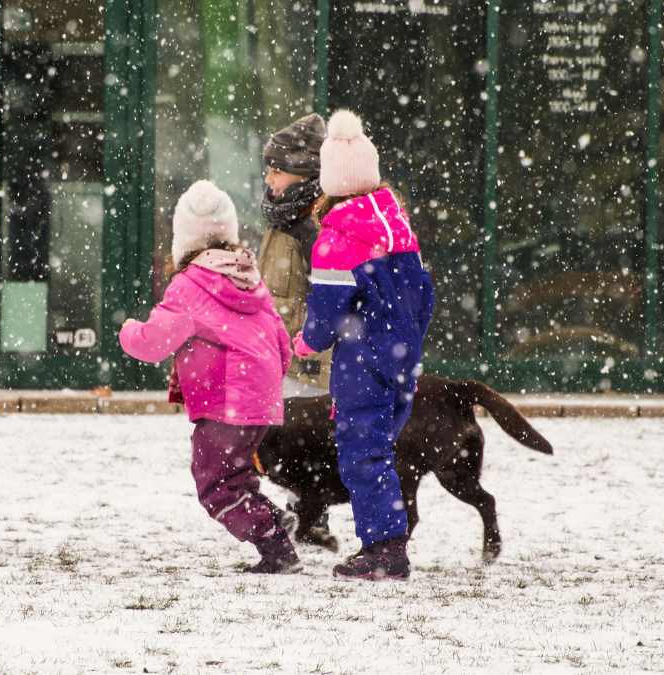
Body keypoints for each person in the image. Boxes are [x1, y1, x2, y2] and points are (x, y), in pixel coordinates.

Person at [119, 180, 299, 574]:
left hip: (224, 401)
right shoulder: (249, 277)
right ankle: (271, 522)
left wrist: (127, 329)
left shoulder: (188, 285)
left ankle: (274, 543)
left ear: (183, 240)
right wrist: (265, 384)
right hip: (259, 398)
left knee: (214, 484)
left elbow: (152, 341)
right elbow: (280, 339)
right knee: (235, 476)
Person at [292, 110, 434, 580]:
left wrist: (309, 343)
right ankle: (386, 540)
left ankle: (385, 548)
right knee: (382, 449)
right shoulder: (400, 229)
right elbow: (424, 297)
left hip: (363, 359)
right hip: (402, 356)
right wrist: (407, 339)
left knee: (361, 452)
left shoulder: (337, 238)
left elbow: (328, 309)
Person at [258, 113, 330, 395]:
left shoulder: (314, 227)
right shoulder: (282, 219)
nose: (269, 179)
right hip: (278, 365)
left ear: (304, 174)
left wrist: (308, 354)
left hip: (306, 375)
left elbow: (327, 305)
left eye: (277, 171)